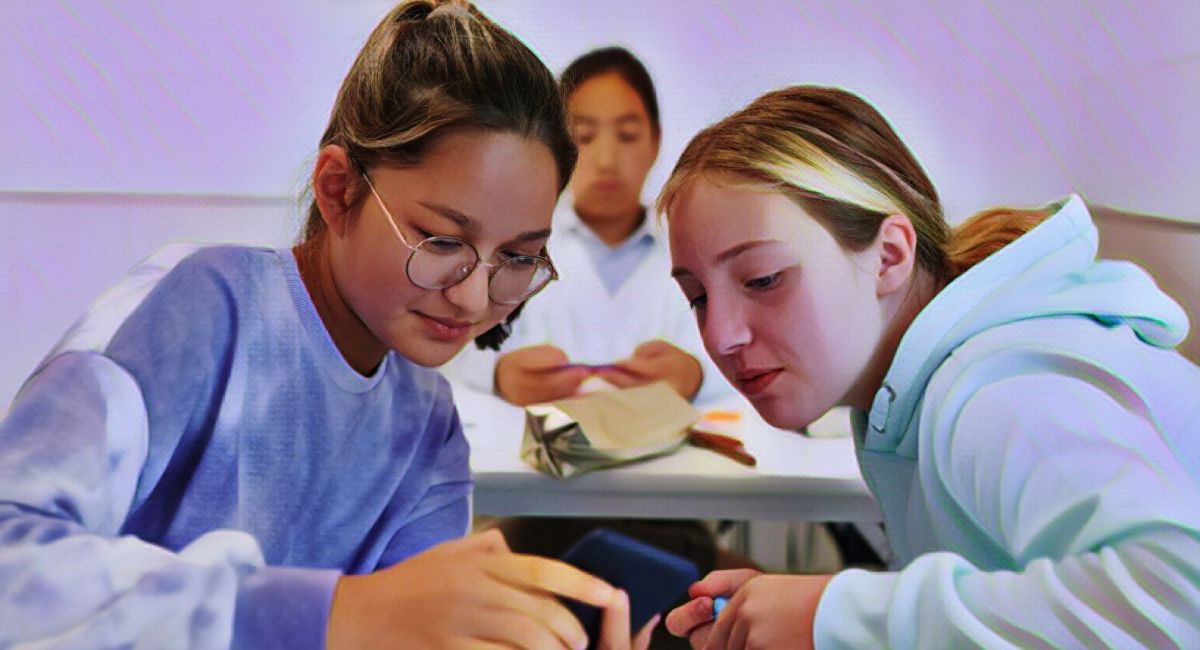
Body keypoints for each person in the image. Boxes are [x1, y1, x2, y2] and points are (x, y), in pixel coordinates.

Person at [0, 3, 657, 648]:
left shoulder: (428, 434)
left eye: (517, 257)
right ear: (339, 190)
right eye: (440, 241)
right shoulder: (200, 312)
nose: (474, 298)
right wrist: (336, 612)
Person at [657, 85, 1200, 648]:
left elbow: (1180, 597)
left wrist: (841, 618)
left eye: (763, 279)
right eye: (698, 297)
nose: (720, 335)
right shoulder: (905, 400)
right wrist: (805, 613)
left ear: (889, 255)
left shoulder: (997, 389)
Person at [444, 46, 727, 407]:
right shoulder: (512, 247)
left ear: (655, 141)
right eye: (584, 136)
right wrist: (499, 374)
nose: (606, 160)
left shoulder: (697, 247)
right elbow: (448, 344)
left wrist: (696, 375)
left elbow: (755, 351)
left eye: (626, 135)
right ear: (558, 147)